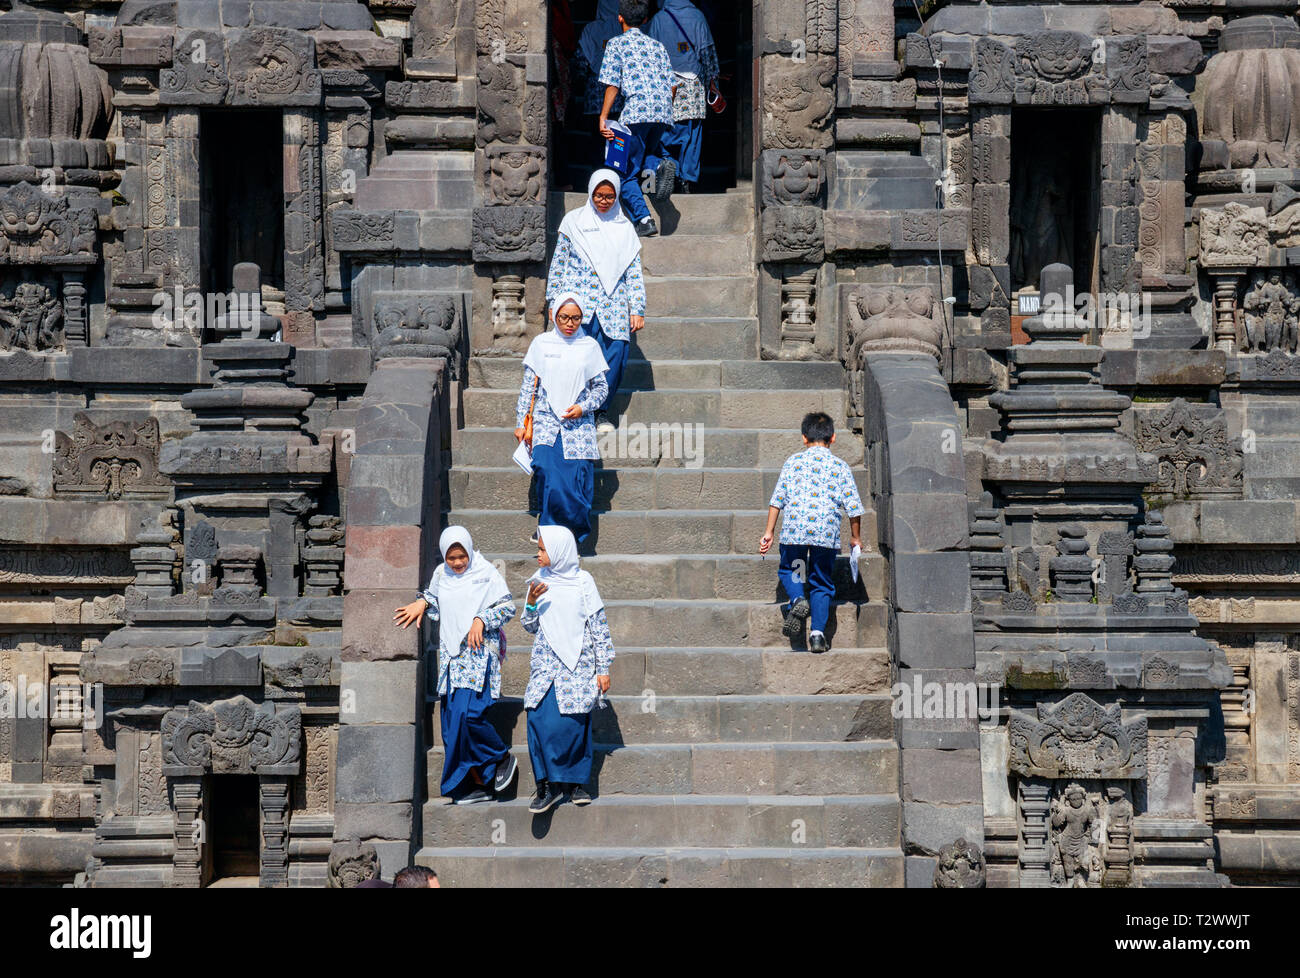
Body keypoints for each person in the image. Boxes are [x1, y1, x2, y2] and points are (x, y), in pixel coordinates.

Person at [393, 527, 518, 805]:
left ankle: (500, 756)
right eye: (452, 558)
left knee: (469, 715)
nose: (458, 563)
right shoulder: (441, 574)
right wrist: (422, 603)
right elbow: (434, 597)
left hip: (477, 653)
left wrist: (481, 619)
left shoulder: (486, 573)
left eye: (462, 556)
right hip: (452, 659)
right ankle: (477, 784)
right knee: (451, 728)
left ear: (470, 552)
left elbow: (507, 606)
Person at [521, 525, 614, 814]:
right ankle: (545, 785)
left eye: (543, 549)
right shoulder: (537, 580)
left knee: (573, 723)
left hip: (578, 664)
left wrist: (603, 668)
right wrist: (532, 602)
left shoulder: (583, 581)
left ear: (560, 550)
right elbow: (529, 625)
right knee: (538, 718)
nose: (538, 554)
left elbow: (598, 626)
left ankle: (575, 783)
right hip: (546, 664)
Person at [548, 168, 645, 434]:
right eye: (599, 195)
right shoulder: (573, 222)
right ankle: (575, 408)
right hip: (578, 304)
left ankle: (600, 410)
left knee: (615, 356)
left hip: (613, 305)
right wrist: (553, 300)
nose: (604, 201)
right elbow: (559, 264)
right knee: (576, 357)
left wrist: (637, 308)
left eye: (610, 196)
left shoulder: (625, 228)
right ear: (591, 194)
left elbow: (633, 271)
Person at [758, 412, 865, 653]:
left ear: (804, 438)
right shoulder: (840, 466)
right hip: (824, 534)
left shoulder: (793, 461)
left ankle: (797, 599)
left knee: (792, 569)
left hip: (795, 531)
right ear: (833, 437)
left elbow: (777, 500)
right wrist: (855, 536)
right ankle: (817, 635)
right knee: (821, 581)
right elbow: (854, 508)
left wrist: (769, 532)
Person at [515, 292, 609, 544]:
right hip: (546, 421)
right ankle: (548, 529)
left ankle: (565, 536)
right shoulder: (542, 344)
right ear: (553, 315)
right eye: (564, 317)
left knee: (575, 482)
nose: (570, 323)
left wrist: (583, 407)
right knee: (546, 469)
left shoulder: (589, 347)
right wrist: (521, 423)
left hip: (577, 425)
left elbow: (601, 388)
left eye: (576, 318)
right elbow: (529, 387)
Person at [598, 0, 676, 237]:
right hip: (662, 112)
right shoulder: (658, 46)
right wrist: (660, 109)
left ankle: (643, 220)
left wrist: (603, 117)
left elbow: (613, 83)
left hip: (636, 112)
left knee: (621, 170)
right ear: (645, 20)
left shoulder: (616, 44)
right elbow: (673, 87)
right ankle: (659, 165)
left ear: (619, 17)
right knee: (644, 157)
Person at [648, 0, 719, 193]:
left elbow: (652, 56)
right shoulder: (698, 16)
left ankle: (668, 166)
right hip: (693, 86)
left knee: (664, 132)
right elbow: (708, 54)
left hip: (667, 86)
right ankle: (685, 178)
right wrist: (714, 83)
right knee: (692, 134)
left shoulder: (658, 19)